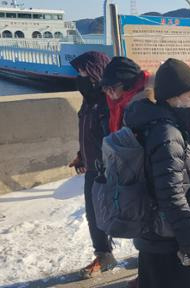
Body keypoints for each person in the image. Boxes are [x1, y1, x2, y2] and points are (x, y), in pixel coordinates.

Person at [124, 58, 190, 288]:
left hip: (153, 234)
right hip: (168, 237)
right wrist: (189, 240)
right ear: (173, 96)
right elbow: (171, 192)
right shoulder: (167, 133)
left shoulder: (151, 122)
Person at [68, 51, 116, 279]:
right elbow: (87, 133)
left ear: (96, 71)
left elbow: (112, 136)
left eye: (83, 71)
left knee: (129, 212)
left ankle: (149, 255)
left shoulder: (106, 101)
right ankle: (105, 256)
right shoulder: (88, 100)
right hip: (93, 168)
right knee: (93, 214)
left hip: (110, 169)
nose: (80, 75)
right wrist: (81, 156)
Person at [101, 56, 153, 133]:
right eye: (105, 88)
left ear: (126, 84)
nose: (108, 93)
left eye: (112, 88)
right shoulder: (118, 100)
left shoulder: (144, 103)